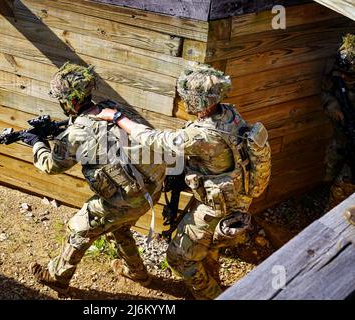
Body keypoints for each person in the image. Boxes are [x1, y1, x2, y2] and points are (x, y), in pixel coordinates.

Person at [96, 63, 271, 299]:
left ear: (199, 101)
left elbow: (153, 139)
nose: (183, 100)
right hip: (232, 195)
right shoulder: (228, 113)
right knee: (206, 249)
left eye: (187, 97)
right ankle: (213, 281)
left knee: (178, 258)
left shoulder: (202, 135)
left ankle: (212, 295)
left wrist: (117, 118)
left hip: (217, 206)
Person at [19, 62, 166, 293]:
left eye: (62, 99)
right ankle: (138, 273)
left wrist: (37, 142)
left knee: (78, 229)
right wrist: (64, 128)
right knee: (120, 227)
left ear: (70, 101)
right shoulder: (112, 109)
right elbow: (98, 131)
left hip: (127, 199)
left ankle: (57, 277)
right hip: (151, 190)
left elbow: (50, 165)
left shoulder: (76, 134)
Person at [321, 33, 355, 209]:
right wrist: (333, 106)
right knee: (332, 163)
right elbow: (325, 91)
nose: (346, 79)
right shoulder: (336, 72)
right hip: (342, 134)